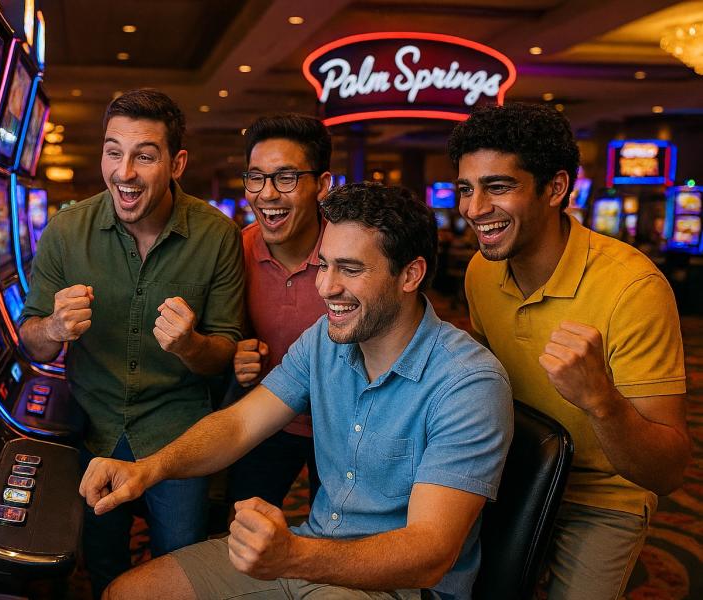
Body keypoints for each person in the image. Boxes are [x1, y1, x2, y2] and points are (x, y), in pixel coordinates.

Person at [82, 182, 514, 600]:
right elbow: (239, 425)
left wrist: (293, 555)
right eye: (324, 264)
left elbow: (429, 555)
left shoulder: (467, 382)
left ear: (411, 274)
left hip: (394, 587)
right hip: (308, 551)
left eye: (350, 268)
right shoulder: (324, 340)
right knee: (127, 592)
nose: (325, 287)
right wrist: (149, 469)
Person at [448, 102, 691, 600]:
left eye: (498, 187)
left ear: (556, 188)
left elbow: (666, 471)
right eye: (466, 189)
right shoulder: (480, 271)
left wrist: (599, 398)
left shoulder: (635, 287)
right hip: (512, 471)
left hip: (602, 494)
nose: (473, 209)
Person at [18, 89, 245, 597]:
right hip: (93, 427)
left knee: (180, 567)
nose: (124, 172)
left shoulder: (217, 236)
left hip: (177, 431)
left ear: (176, 162)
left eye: (144, 155)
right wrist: (53, 329)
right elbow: (30, 341)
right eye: (112, 151)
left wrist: (190, 345)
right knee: (101, 565)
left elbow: (225, 353)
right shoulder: (65, 232)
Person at [228, 113, 333, 508]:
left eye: (286, 178)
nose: (267, 194)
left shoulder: (352, 251)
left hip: (343, 423)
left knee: (342, 543)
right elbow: (224, 333)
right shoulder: (236, 251)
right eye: (256, 177)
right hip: (269, 416)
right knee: (240, 526)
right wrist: (234, 352)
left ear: (322, 185)